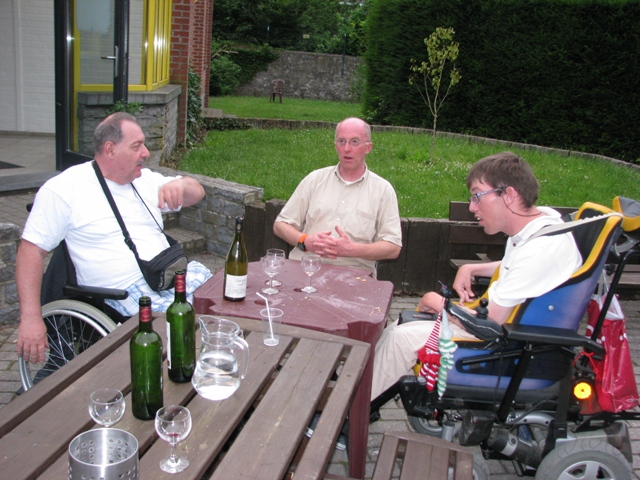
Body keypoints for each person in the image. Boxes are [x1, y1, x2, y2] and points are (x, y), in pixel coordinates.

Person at [371, 152, 583, 400]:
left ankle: (347, 420)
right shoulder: (543, 224)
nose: (472, 207)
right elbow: (516, 266)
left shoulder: (541, 249)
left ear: (509, 195)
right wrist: (472, 268)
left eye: (477, 196)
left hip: (504, 347)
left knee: (400, 338)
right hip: (511, 333)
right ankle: (364, 400)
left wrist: (435, 300)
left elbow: (490, 325)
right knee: (399, 325)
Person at [16, 112, 212, 364]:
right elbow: (30, 251)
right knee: (189, 329)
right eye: (136, 146)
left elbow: (198, 193)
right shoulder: (64, 189)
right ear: (110, 149)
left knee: (224, 301)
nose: (146, 153)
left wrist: (182, 185)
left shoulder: (144, 180)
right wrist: (31, 318)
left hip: (168, 277)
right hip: (122, 296)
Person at [273, 117, 402, 277]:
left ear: (368, 147)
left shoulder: (383, 190)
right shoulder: (314, 179)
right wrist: (305, 241)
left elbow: (393, 247)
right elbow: (280, 225)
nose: (347, 148)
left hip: (354, 276)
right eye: (341, 141)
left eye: (355, 142)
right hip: (305, 268)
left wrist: (352, 250)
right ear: (335, 146)